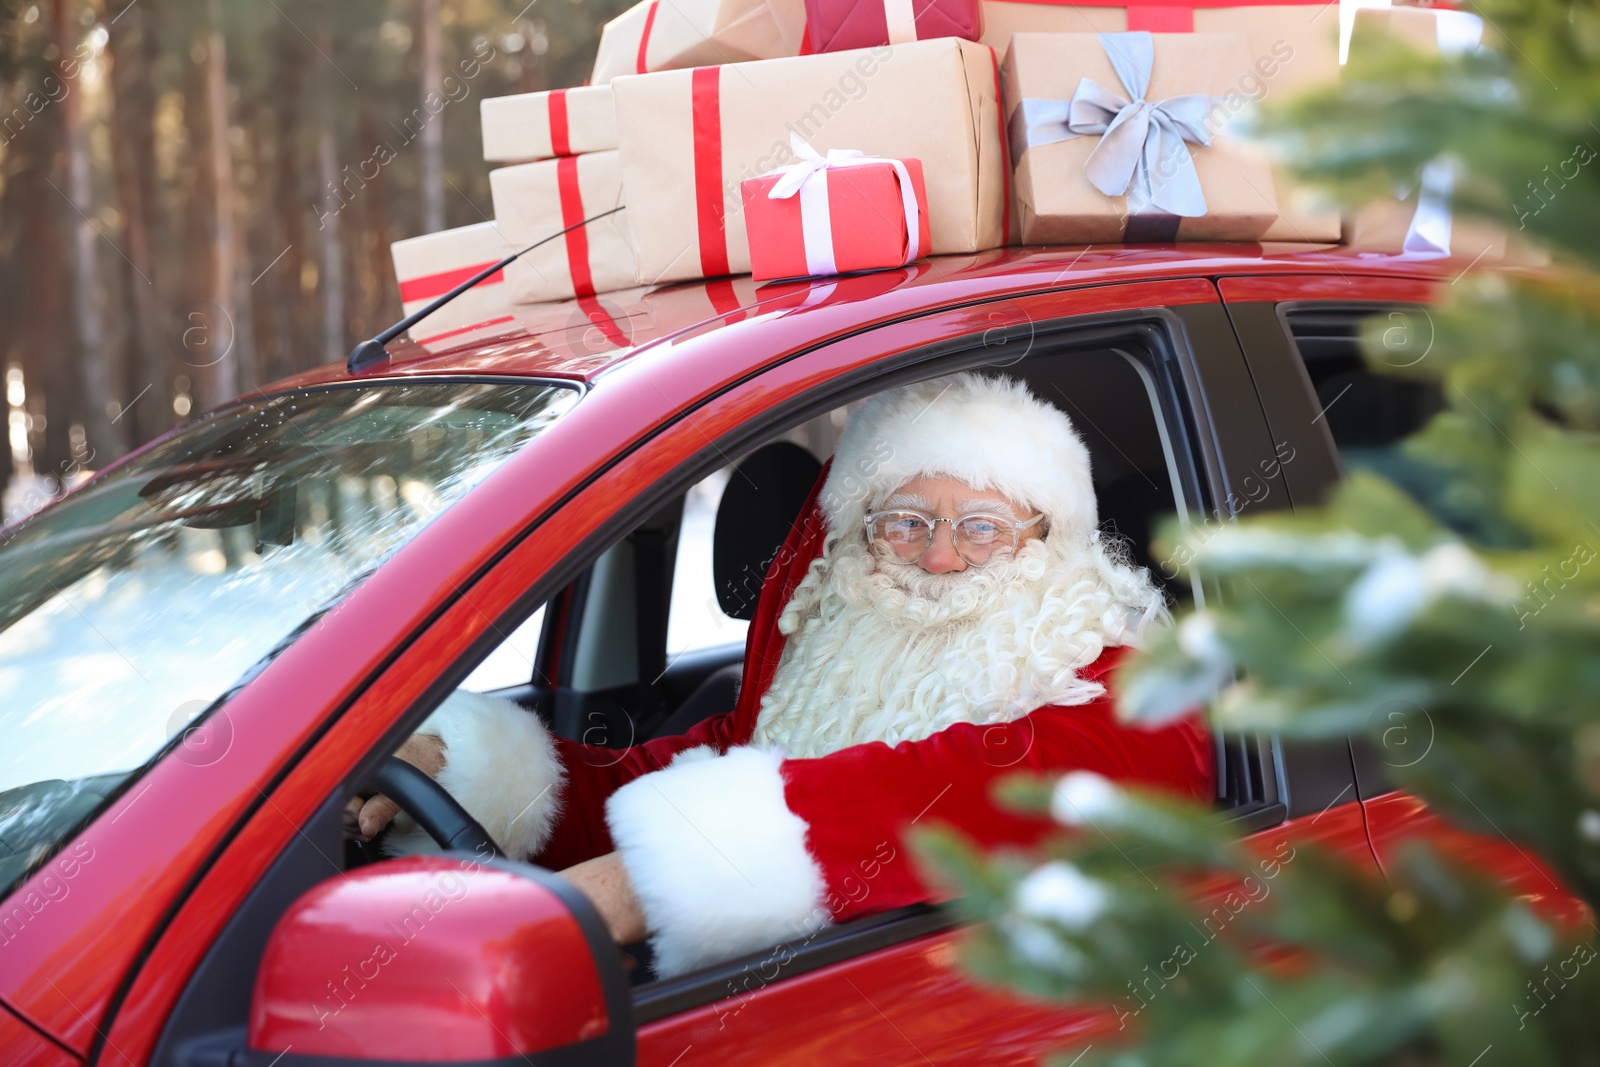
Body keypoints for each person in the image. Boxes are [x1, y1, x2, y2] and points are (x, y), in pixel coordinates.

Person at [350, 372, 1213, 977]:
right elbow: (719, 762)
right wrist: (488, 775)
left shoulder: (1103, 656)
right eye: (905, 521)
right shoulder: (834, 639)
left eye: (982, 525)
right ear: (862, 527)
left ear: (1044, 532)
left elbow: (1044, 778)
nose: (941, 555)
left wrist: (653, 876)